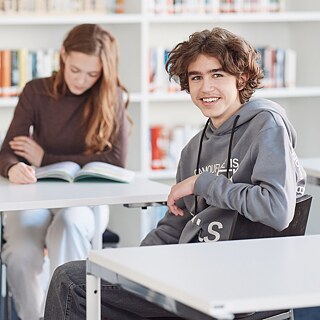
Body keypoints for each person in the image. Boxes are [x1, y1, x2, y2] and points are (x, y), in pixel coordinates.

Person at [44, 27, 306, 320]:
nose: (206, 88)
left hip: (242, 280)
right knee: (86, 279)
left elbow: (277, 209)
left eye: (217, 75)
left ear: (241, 77)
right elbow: (174, 226)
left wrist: (203, 183)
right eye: (196, 78)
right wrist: (129, 266)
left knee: (72, 282)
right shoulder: (194, 148)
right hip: (193, 273)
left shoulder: (267, 125)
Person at [0, 24, 130, 320]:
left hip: (85, 198)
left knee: (70, 224)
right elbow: (8, 150)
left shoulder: (112, 97)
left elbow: (116, 159)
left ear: (103, 71)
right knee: (20, 254)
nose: (82, 80)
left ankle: (67, 315)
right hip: (37, 194)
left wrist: (46, 157)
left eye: (92, 74)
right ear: (63, 56)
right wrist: (14, 166)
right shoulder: (36, 91)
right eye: (75, 70)